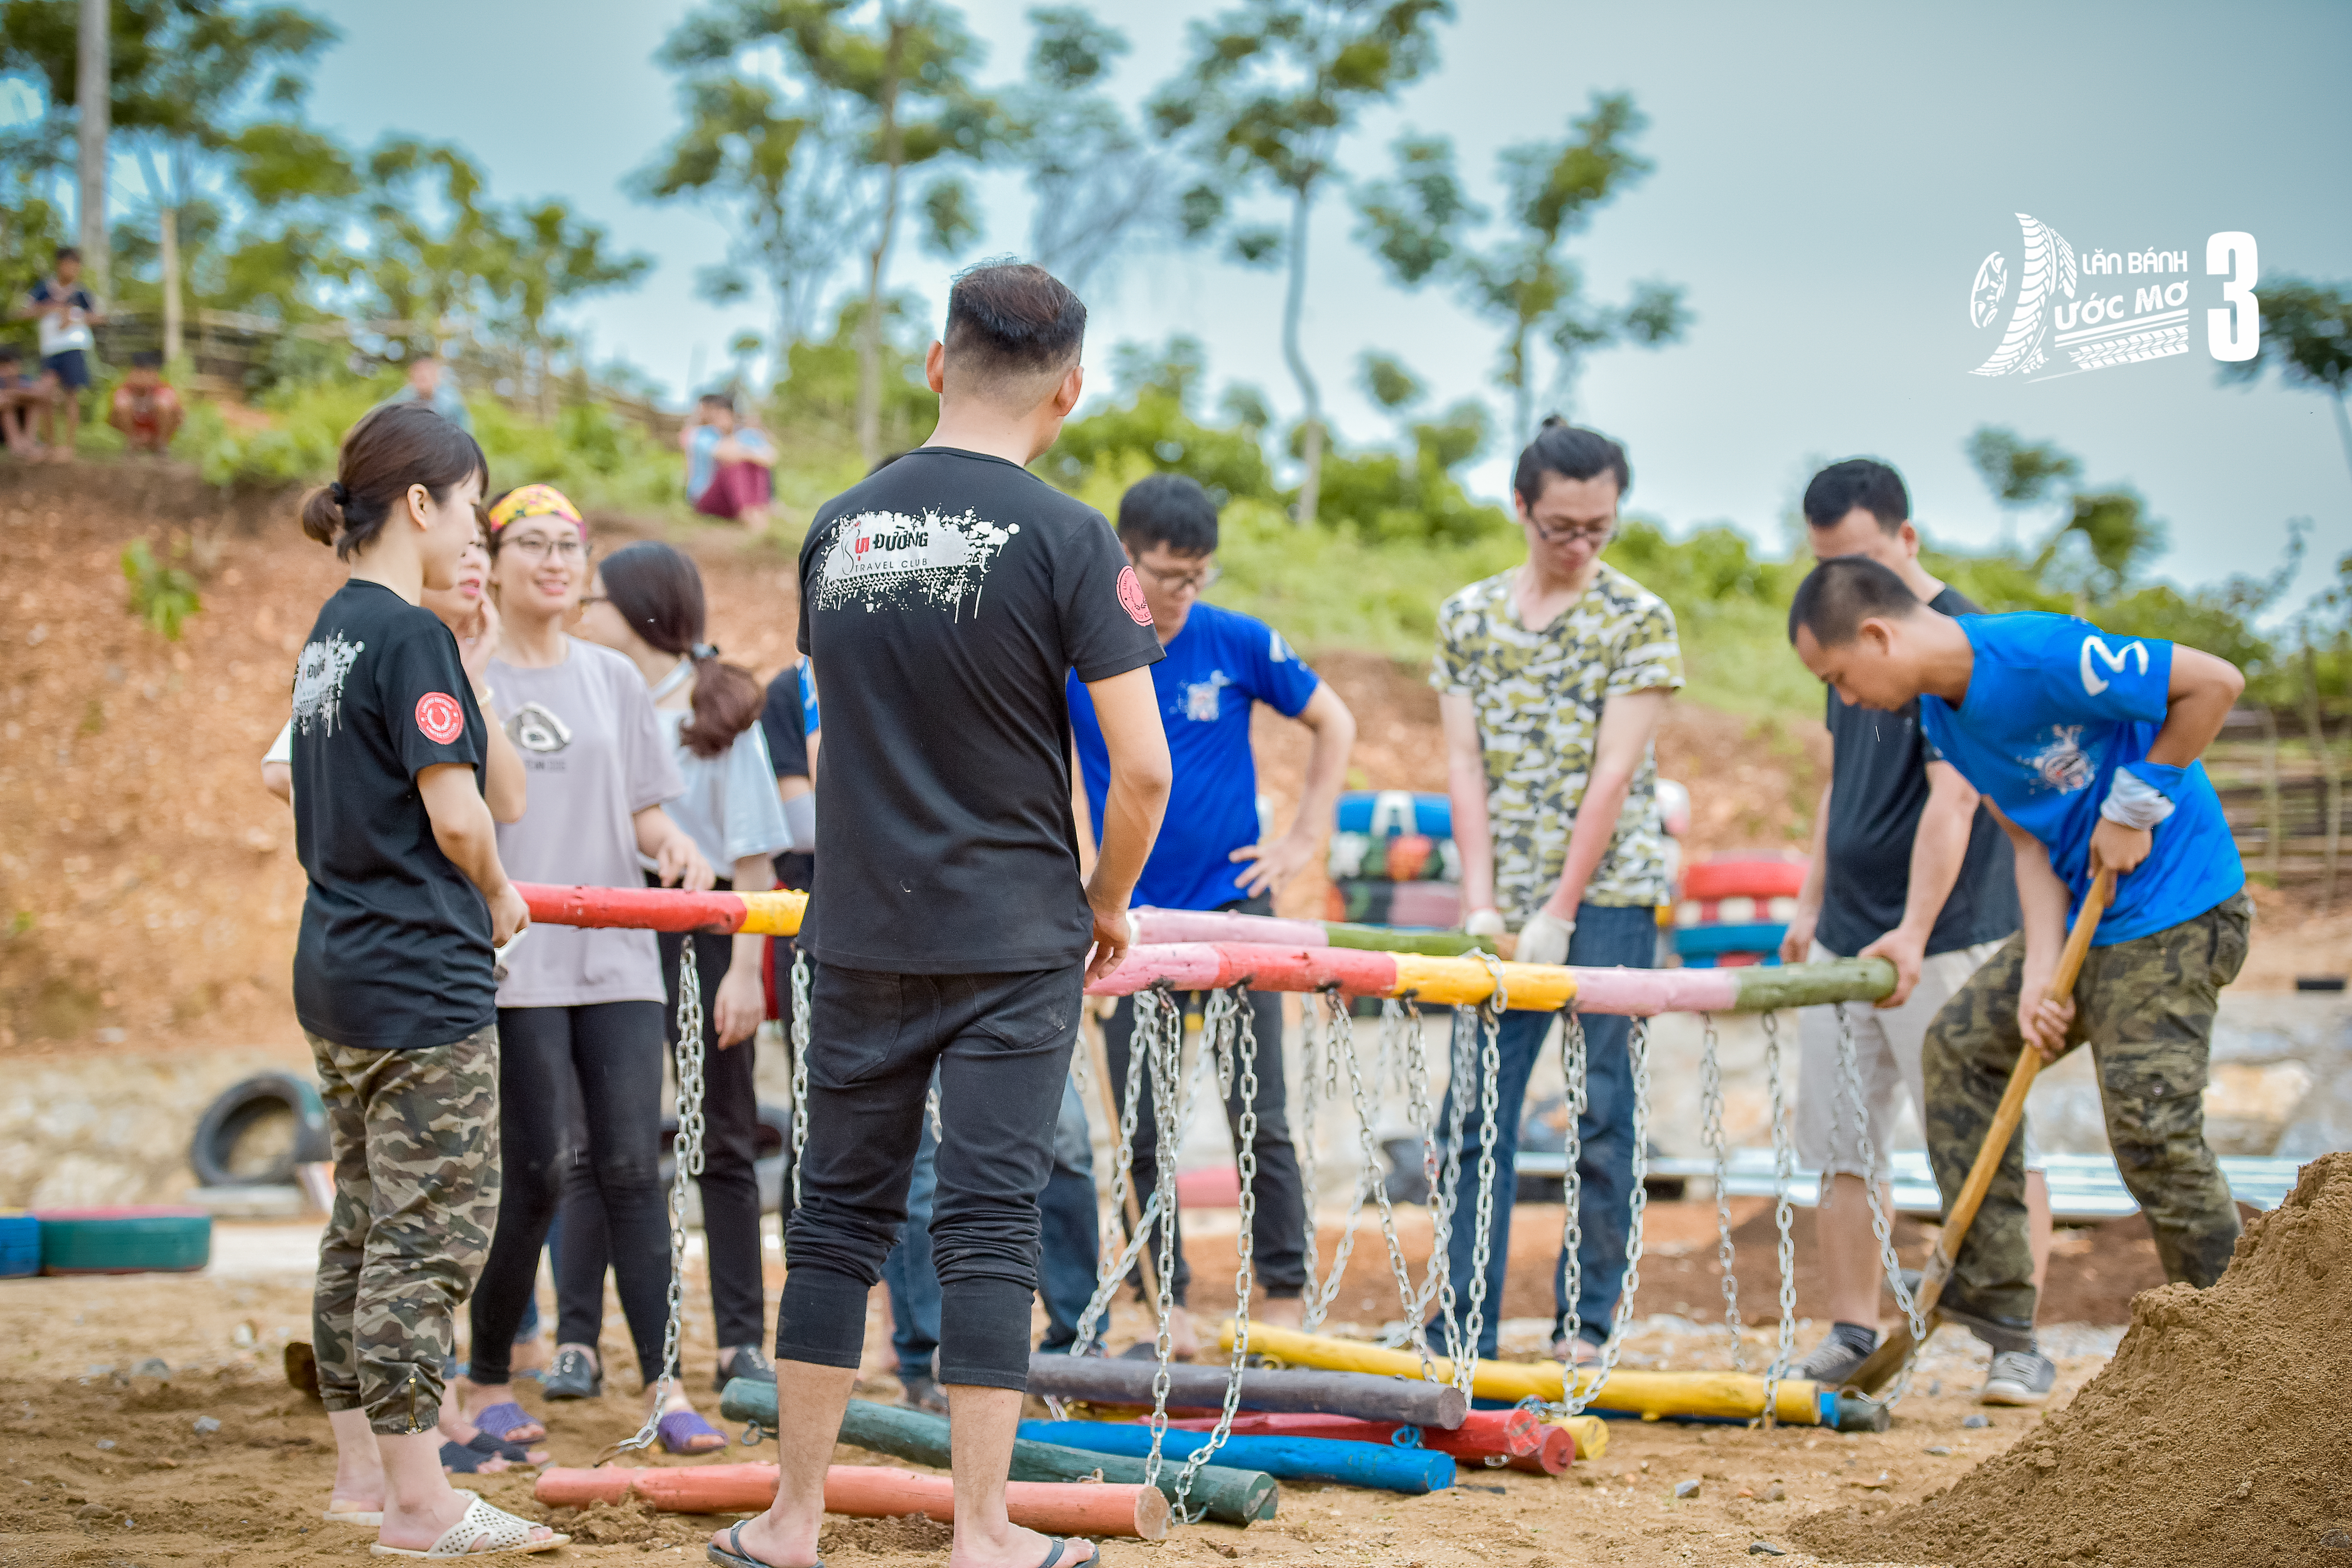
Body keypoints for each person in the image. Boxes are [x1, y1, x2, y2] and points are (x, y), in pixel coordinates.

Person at [710, 260, 1170, 1568]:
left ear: (934, 362)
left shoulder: (836, 529)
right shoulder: (1075, 540)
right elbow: (1142, 768)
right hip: (1014, 933)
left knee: (834, 1217)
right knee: (984, 1217)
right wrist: (1104, 903)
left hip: (854, 927)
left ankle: (790, 1517)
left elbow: (855, 717)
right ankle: (983, 1526)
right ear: (1068, 392)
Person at [1788, 555, 2253, 1407]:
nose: (1847, 700)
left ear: (1879, 635)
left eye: (1841, 677)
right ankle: (2003, 1313)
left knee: (2150, 1128)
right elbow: (2031, 843)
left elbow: (2215, 682)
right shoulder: (1945, 719)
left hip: (2179, 908)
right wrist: (2041, 974)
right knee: (1962, 1047)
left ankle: (2242, 1342)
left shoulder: (2040, 655)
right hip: (2087, 920)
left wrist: (2137, 800)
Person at [288, 402, 562, 1555]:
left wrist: (478, 666)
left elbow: (495, 787)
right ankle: (419, 1503)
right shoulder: (405, 636)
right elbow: (464, 820)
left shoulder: (334, 633)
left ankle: (366, 1479)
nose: (476, 538)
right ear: (420, 504)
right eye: (469, 509)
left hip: (341, 969)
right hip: (418, 975)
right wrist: (501, 893)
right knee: (430, 1236)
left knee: (361, 1226)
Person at [455, 482, 727, 1457]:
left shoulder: (612, 677)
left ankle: (665, 1385)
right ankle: (485, 1372)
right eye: (530, 542)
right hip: (515, 955)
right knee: (534, 1171)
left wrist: (679, 849)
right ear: (490, 559)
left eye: (568, 545)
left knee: (629, 1168)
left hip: (617, 954)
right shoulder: (461, 670)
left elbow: (646, 812)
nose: (554, 561)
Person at [1777, 460, 2051, 1399]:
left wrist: (1911, 928)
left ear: (1906, 541)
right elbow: (1834, 782)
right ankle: (1854, 1327)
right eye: (1824, 567)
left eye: (1853, 563)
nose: (1837, 587)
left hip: (1944, 936)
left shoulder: (1958, 646)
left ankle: (2015, 1337)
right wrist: (1812, 903)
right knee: (1840, 1141)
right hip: (1845, 931)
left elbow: (1957, 800)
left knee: (1983, 1136)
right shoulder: (1838, 631)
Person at [1067, 472, 1357, 1355]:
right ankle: (1170, 1305)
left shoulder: (1237, 642)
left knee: (1257, 1112)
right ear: (1126, 558)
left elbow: (1333, 723)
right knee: (1144, 1119)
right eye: (1166, 574)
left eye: (1198, 576)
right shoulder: (1081, 651)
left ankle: (1282, 1293)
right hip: (1132, 921)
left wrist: (1302, 840)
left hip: (1236, 914)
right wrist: (1084, 877)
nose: (1182, 593)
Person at [1432, 417, 1681, 1365]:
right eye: (1562, 527)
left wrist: (1562, 909)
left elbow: (1614, 775)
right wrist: (1486, 903)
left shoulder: (1638, 619)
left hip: (1608, 894)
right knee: (1476, 1111)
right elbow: (1463, 764)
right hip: (1504, 899)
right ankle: (1464, 1322)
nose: (1580, 546)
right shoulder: (1468, 618)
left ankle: (1586, 1323)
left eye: (1600, 528)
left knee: (1603, 1107)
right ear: (1521, 509)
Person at [569, 536, 791, 1395]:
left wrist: (744, 971)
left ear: (642, 610)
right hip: (609, 942)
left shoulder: (719, 707)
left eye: (598, 601)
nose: (585, 614)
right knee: (595, 1143)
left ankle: (741, 1342)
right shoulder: (589, 696)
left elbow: (753, 862)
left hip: (703, 944)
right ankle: (578, 1341)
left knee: (724, 1140)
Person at [12, 246, 102, 462]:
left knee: (72, 395)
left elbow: (100, 317)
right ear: (59, 265)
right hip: (51, 349)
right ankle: (50, 446)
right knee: (46, 394)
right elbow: (22, 312)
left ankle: (69, 448)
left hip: (74, 348)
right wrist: (49, 308)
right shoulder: (43, 290)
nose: (73, 270)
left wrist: (75, 318)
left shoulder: (82, 293)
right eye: (69, 265)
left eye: (76, 266)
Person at [681, 392, 775, 530]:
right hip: (705, 497)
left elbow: (771, 458)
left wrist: (747, 453)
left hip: (731, 500)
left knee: (753, 465)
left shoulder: (744, 434)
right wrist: (750, 453)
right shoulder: (701, 435)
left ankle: (758, 512)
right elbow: (726, 455)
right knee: (735, 465)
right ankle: (750, 515)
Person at [109, 350, 183, 453]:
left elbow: (178, 416)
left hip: (156, 431)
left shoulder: (164, 390)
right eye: (140, 371)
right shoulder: (124, 391)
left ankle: (162, 444)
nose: (144, 376)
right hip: (135, 430)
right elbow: (113, 417)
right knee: (121, 407)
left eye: (148, 372)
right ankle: (132, 443)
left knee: (166, 406)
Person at [380, 353, 474, 432]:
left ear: (436, 378)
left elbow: (464, 435)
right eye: (418, 377)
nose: (421, 380)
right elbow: (378, 413)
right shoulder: (404, 398)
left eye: (425, 377)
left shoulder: (452, 404)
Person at [0, 343, 55, 457]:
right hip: (4, 429)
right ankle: (17, 445)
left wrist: (14, 395)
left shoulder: (24, 380)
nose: (7, 370)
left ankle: (29, 443)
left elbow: (46, 396)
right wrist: (19, 397)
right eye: (3, 366)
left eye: (9, 365)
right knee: (7, 409)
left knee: (33, 405)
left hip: (22, 427)